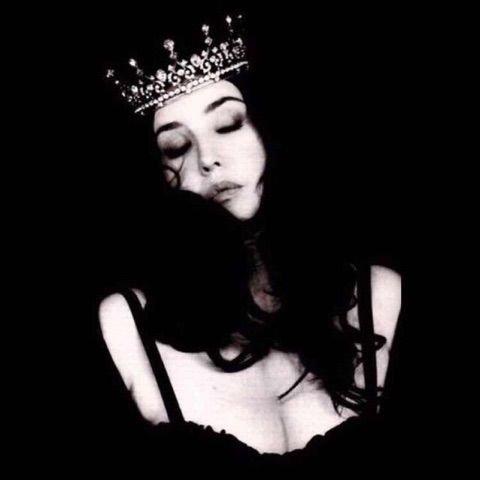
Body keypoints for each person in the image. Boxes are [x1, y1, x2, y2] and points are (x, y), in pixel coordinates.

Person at [98, 13, 402, 472]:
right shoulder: (127, 324)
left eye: (228, 123)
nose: (207, 159)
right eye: (176, 147)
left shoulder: (378, 295)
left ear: (269, 127)